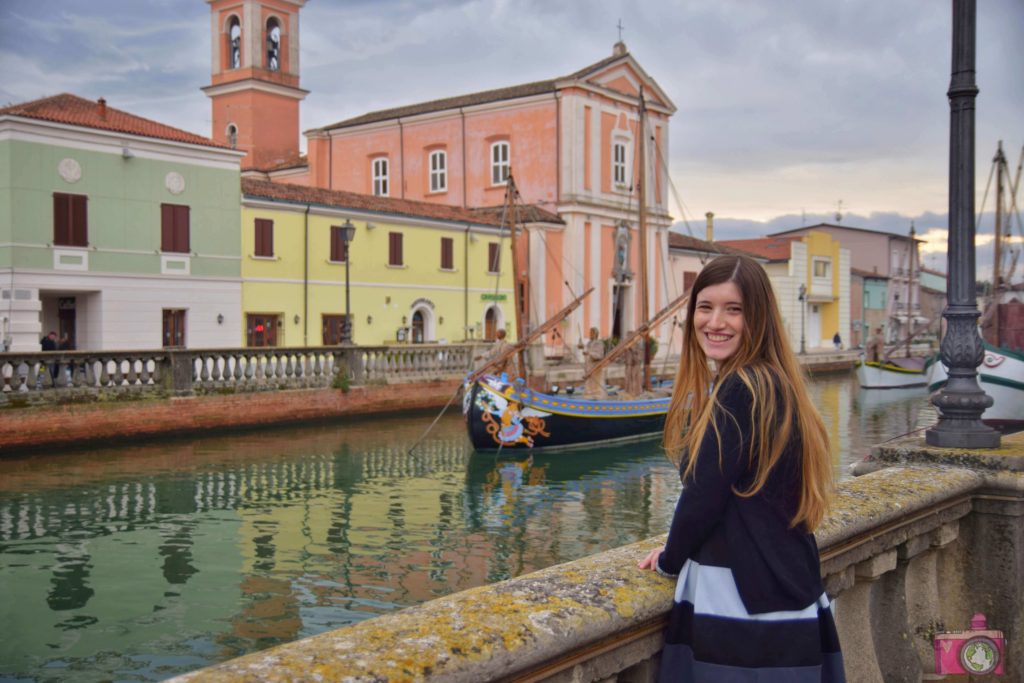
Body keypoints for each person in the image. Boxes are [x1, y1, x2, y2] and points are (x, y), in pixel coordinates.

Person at [637, 254, 844, 681]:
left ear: (759, 317)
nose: (716, 321)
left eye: (734, 310)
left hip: (743, 605)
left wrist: (669, 560)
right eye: (705, 307)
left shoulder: (741, 387)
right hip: (788, 585)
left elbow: (703, 496)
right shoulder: (773, 382)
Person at [582, 327, 606, 398]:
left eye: (592, 333)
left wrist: (589, 353)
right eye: (590, 333)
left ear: (595, 334)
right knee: (589, 383)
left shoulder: (599, 343)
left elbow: (599, 355)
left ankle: (597, 396)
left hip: (595, 367)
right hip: (588, 366)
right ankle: (589, 395)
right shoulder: (589, 343)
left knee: (596, 384)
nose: (590, 334)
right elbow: (587, 351)